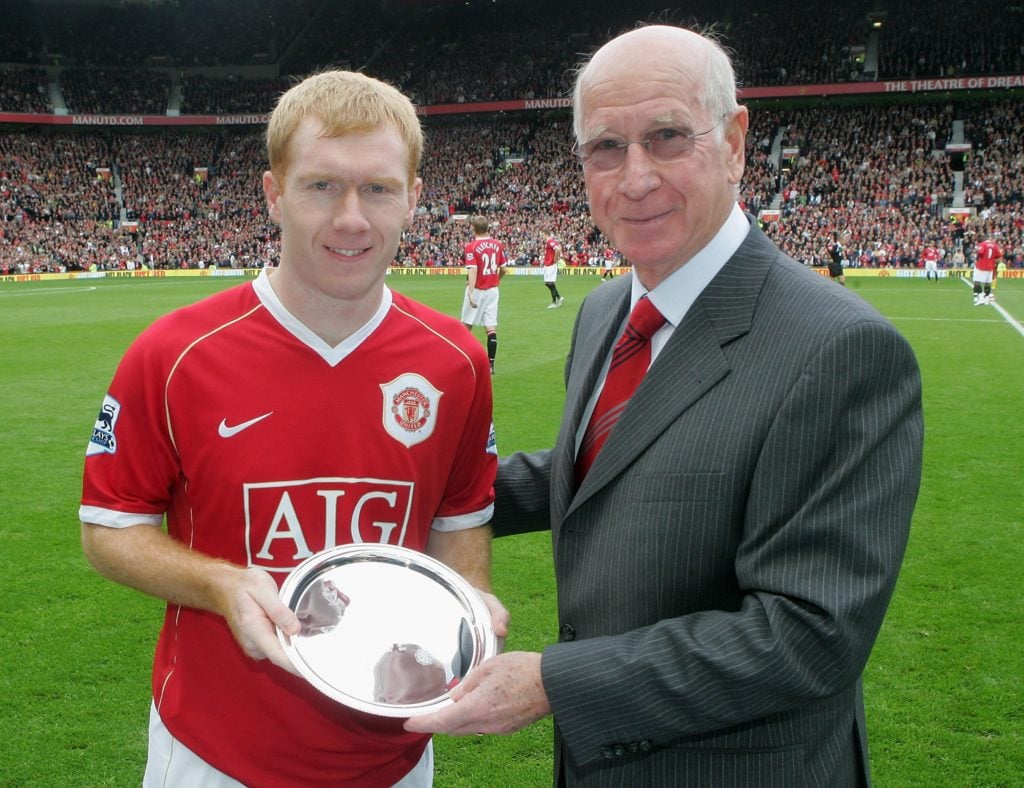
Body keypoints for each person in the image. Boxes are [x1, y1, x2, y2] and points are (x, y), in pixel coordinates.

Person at [406, 24, 924, 787]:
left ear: (737, 140)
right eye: (605, 148)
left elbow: (809, 635)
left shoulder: (841, 348)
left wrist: (556, 681)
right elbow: (606, 470)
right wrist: (407, 485)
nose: (635, 176)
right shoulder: (605, 310)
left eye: (667, 136)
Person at [80, 70, 506, 788]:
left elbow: (460, 520)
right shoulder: (175, 354)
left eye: (378, 188)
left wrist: (468, 598)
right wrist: (219, 583)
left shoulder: (456, 362)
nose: (351, 218)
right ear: (274, 194)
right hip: (213, 753)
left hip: (394, 753)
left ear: (414, 199)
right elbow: (108, 528)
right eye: (321, 186)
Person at [460, 214, 508, 373]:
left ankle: (460, 359)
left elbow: (473, 270)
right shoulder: (498, 244)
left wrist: (471, 292)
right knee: (491, 328)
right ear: (488, 228)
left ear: (473, 228)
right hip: (493, 290)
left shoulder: (471, 246)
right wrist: (496, 280)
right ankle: (491, 365)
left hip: (479, 289)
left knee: (465, 326)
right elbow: (504, 269)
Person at [973, 234, 1003, 305]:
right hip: (990, 267)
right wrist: (993, 261)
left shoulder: (983, 244)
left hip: (982, 266)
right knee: (987, 283)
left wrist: (977, 253)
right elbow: (999, 256)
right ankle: (986, 299)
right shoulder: (994, 245)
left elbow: (980, 252)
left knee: (977, 282)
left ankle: (980, 298)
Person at [542, 232, 565, 308]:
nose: (542, 237)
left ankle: (554, 302)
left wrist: (555, 258)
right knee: (547, 283)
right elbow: (559, 248)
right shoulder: (551, 242)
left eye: (543, 235)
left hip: (550, 265)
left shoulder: (550, 241)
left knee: (550, 283)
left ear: (546, 234)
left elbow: (558, 249)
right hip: (548, 264)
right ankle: (559, 297)